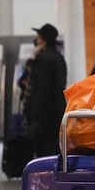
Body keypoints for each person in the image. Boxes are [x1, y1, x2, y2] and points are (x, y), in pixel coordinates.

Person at [23, 24, 67, 157]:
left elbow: (41, 89)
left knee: (43, 154)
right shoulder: (59, 57)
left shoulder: (43, 59)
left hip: (43, 117)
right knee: (54, 152)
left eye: (38, 36)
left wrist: (32, 116)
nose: (36, 39)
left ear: (43, 39)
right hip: (57, 112)